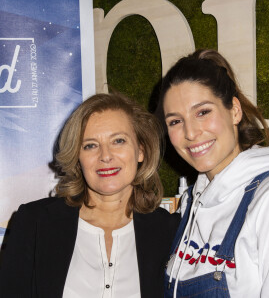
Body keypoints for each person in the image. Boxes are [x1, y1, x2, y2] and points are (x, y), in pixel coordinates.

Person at [0, 92, 180, 298]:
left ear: (140, 150)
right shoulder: (35, 222)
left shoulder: (169, 231)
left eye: (118, 141)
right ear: (77, 157)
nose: (105, 156)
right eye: (90, 145)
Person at [159, 49, 269, 297]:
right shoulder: (192, 202)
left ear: (234, 110)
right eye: (175, 121)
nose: (190, 132)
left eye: (202, 112)